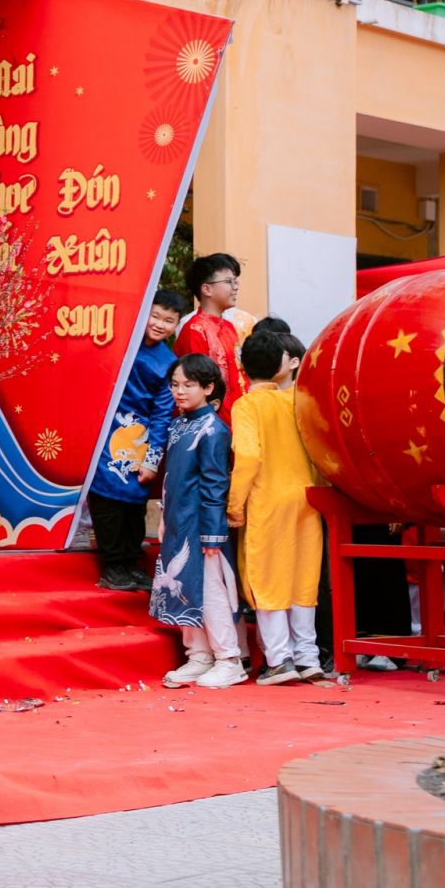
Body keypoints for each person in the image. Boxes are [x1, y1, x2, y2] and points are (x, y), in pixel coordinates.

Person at [227, 331, 325, 685]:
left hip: (267, 499)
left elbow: (249, 458)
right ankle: (308, 656)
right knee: (302, 578)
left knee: (267, 577)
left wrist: (235, 505)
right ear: (281, 365)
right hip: (306, 497)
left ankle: (279, 659)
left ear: (242, 367)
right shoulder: (294, 401)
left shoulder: (247, 405)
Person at [152, 354, 245, 689]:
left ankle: (229, 659)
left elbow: (215, 484)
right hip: (177, 521)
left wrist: (213, 534)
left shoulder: (214, 430)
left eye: (189, 385)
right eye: (175, 385)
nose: (180, 391)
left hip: (201, 525)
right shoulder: (178, 424)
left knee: (210, 591)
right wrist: (164, 516)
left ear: (208, 388)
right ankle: (199, 656)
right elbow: (171, 479)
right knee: (184, 589)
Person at [89, 291, 184, 590]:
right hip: (104, 430)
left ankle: (130, 563)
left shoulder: (169, 363)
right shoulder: (117, 341)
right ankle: (113, 565)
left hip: (140, 437)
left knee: (134, 500)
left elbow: (162, 414)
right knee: (106, 496)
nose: (159, 324)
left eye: (168, 320)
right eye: (155, 316)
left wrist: (152, 460)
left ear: (176, 325)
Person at [176, 253, 250, 427]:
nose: (236, 287)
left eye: (236, 281)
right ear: (207, 289)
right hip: (212, 425)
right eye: (229, 281)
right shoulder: (195, 330)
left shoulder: (230, 327)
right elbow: (194, 385)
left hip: (237, 418)